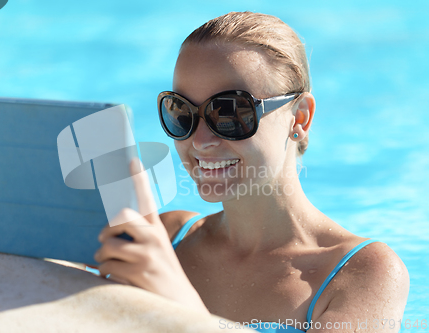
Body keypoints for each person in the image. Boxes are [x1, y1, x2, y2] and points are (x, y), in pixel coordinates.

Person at [94, 11, 410, 332]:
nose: (201, 141)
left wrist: (177, 297)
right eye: (182, 112)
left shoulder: (361, 272)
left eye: (229, 112)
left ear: (299, 117)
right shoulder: (166, 238)